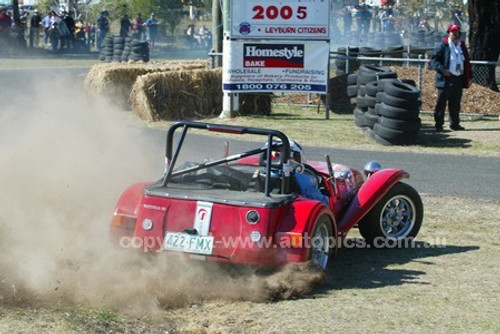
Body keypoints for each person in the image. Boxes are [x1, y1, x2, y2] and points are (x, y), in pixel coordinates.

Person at [430, 24, 471, 132]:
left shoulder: (461, 45)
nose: (456, 34)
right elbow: (434, 61)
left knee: (455, 103)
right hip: (445, 79)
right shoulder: (443, 45)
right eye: (453, 32)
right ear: (449, 33)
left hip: (458, 78)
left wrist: (468, 77)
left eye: (457, 32)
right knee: (441, 103)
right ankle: (439, 124)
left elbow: (466, 62)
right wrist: (443, 70)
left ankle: (454, 124)